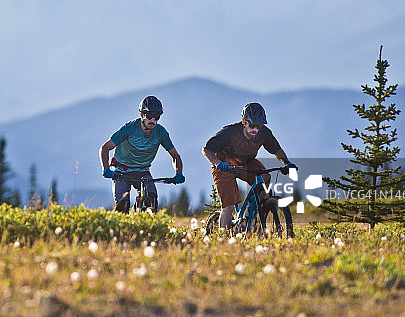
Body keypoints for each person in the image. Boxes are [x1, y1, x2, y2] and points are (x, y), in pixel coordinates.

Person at [202, 102, 296, 230]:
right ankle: (223, 238)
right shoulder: (228, 132)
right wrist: (217, 163)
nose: (255, 130)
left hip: (246, 163)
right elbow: (207, 150)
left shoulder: (264, 134)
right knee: (228, 207)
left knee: (265, 177)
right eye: (252, 126)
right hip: (224, 166)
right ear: (243, 122)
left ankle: (250, 214)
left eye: (259, 126)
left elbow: (277, 150)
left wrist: (286, 163)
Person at [99, 96, 185, 212]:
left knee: (152, 200)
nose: (153, 121)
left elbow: (175, 156)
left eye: (157, 117)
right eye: (149, 116)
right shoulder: (129, 128)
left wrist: (178, 173)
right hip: (121, 172)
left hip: (142, 171)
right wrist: (106, 168)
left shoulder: (161, 132)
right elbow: (105, 148)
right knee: (122, 207)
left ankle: (141, 216)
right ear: (141, 115)